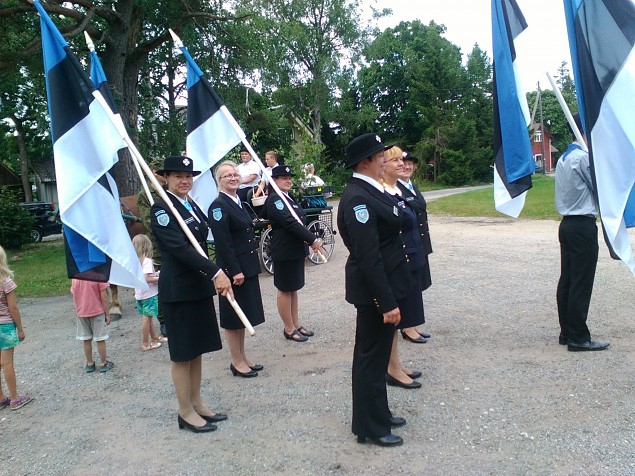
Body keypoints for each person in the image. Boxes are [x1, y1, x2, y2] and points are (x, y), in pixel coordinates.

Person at [337, 133, 411, 447]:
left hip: (385, 286)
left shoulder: (370, 189)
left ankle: (378, 413)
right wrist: (386, 302)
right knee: (369, 359)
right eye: (381, 155)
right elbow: (369, 257)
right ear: (366, 161)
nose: (387, 159)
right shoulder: (357, 198)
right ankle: (370, 427)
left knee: (377, 357)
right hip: (374, 293)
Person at [150, 155, 233, 434]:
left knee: (197, 350)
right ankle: (184, 411)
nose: (184, 181)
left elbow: (200, 242)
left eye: (188, 177)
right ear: (166, 178)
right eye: (177, 176)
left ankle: (196, 403)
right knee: (182, 353)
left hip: (197, 287)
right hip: (179, 290)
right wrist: (214, 271)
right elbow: (180, 248)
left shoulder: (192, 204)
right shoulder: (162, 209)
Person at [555, 114, 609, 352]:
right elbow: (601, 186)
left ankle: (567, 331)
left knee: (567, 279)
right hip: (582, 226)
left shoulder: (564, 157)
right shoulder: (583, 158)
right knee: (580, 281)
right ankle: (578, 336)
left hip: (567, 224)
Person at [208, 161, 265, 378]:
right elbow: (223, 242)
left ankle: (243, 357)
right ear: (218, 181)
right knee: (233, 318)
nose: (233, 178)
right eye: (226, 176)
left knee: (244, 316)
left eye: (234, 174)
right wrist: (234, 270)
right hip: (234, 271)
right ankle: (236, 361)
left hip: (246, 266)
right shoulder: (218, 206)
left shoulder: (238, 201)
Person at [382, 146, 425, 390]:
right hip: (396, 262)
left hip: (408, 258)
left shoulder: (396, 189)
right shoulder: (384, 192)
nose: (401, 163)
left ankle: (395, 364)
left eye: (402, 159)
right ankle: (391, 368)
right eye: (395, 160)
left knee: (401, 318)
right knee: (392, 321)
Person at [265, 165, 322, 342]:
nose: (288, 180)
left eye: (289, 178)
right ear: (274, 181)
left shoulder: (288, 198)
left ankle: (296, 323)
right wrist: (312, 239)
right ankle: (288, 328)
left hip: (294, 250)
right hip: (284, 250)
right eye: (283, 178)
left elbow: (299, 220)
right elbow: (290, 222)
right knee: (284, 289)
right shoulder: (275, 200)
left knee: (294, 288)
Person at [397, 151, 433, 343]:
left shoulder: (412, 186)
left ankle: (413, 323)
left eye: (410, 163)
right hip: (408, 245)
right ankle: (407, 326)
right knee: (409, 286)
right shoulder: (395, 188)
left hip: (419, 242)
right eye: (403, 163)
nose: (407, 166)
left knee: (417, 285)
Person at [137, 158, 168, 337]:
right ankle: (164, 321)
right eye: (163, 173)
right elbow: (149, 222)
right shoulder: (145, 194)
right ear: (155, 174)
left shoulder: (168, 191)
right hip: (157, 246)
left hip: (173, 243)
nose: (166, 176)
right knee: (160, 283)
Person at [0, 245, 32, 411]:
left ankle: (1, 398)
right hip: (4, 327)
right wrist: (20, 329)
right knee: (7, 364)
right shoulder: (6, 282)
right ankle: (14, 399)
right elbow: (13, 308)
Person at [70, 278, 114, 373]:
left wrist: (77, 310)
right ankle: (103, 363)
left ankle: (90, 363)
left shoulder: (75, 277)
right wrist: (107, 314)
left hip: (81, 313)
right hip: (97, 312)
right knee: (100, 338)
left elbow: (74, 295)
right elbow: (104, 298)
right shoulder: (98, 276)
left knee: (86, 339)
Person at [132, 234, 166, 351]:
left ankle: (155, 337)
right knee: (147, 318)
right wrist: (159, 279)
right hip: (149, 295)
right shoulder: (147, 261)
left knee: (148, 317)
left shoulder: (135, 261)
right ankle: (145, 343)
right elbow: (146, 278)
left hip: (140, 295)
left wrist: (156, 274)